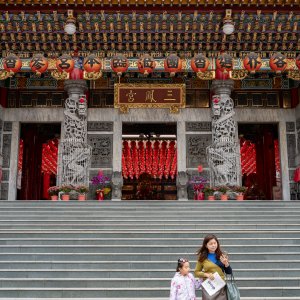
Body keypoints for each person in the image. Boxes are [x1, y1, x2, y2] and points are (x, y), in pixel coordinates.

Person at [194, 234, 232, 300]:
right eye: (211, 244)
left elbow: (229, 272)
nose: (213, 245)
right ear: (206, 245)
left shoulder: (222, 255)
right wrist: (206, 274)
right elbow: (196, 272)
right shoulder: (202, 257)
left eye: (215, 243)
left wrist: (226, 264)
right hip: (209, 287)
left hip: (220, 286)